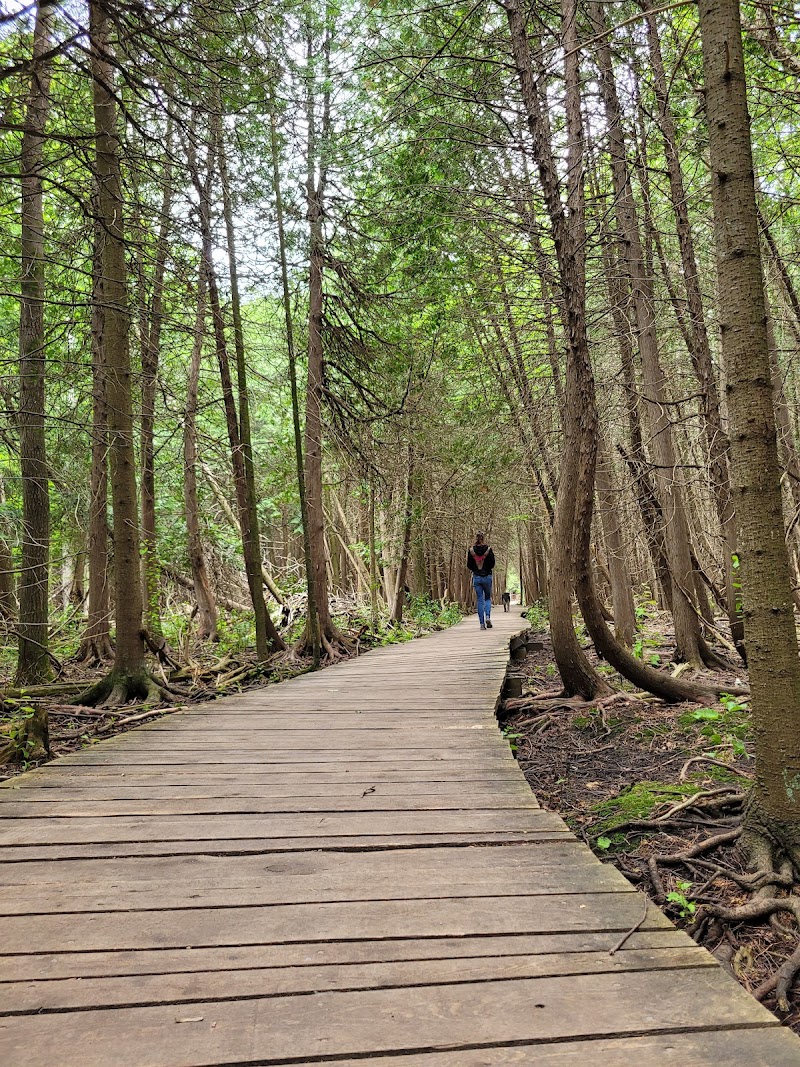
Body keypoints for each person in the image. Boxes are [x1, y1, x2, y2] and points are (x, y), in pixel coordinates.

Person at [466, 531, 495, 629]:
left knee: (479, 599)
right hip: (487, 577)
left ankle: (482, 624)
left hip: (477, 577)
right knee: (487, 598)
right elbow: (492, 563)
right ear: (483, 539)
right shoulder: (488, 549)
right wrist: (486, 569)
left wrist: (475, 570)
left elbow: (469, 565)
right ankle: (487, 616)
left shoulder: (471, 550)